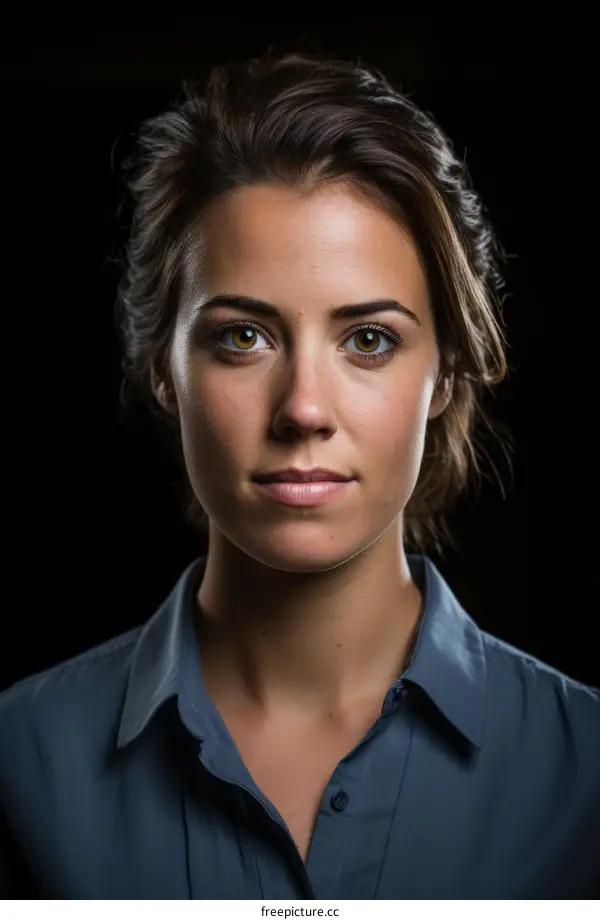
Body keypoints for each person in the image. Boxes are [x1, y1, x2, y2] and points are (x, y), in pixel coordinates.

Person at [1, 49, 598, 901]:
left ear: (449, 376)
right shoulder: (21, 763)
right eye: (243, 336)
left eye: (368, 339)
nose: (304, 408)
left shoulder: (585, 776)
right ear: (163, 371)